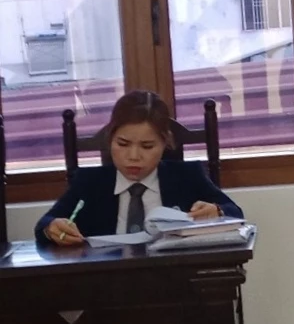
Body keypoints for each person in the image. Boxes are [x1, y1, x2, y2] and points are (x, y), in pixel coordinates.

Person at [36, 90, 243, 246]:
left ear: (164, 143)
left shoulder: (187, 176)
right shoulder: (89, 182)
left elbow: (235, 212)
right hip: (106, 283)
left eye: (147, 146)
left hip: (177, 279)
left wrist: (217, 211)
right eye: (123, 144)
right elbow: (45, 224)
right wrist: (52, 228)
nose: (134, 156)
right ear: (110, 140)